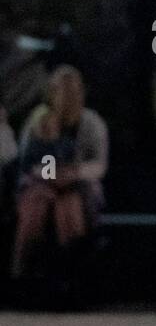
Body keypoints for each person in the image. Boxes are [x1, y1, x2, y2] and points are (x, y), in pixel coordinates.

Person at [10, 66, 108, 281]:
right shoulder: (38, 122)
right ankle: (24, 275)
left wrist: (73, 173)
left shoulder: (92, 124)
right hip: (41, 184)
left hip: (78, 185)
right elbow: (29, 163)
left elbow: (99, 164)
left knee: (69, 206)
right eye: (61, 91)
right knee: (38, 203)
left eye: (73, 91)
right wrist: (52, 174)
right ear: (51, 94)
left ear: (82, 93)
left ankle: (72, 275)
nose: (67, 97)